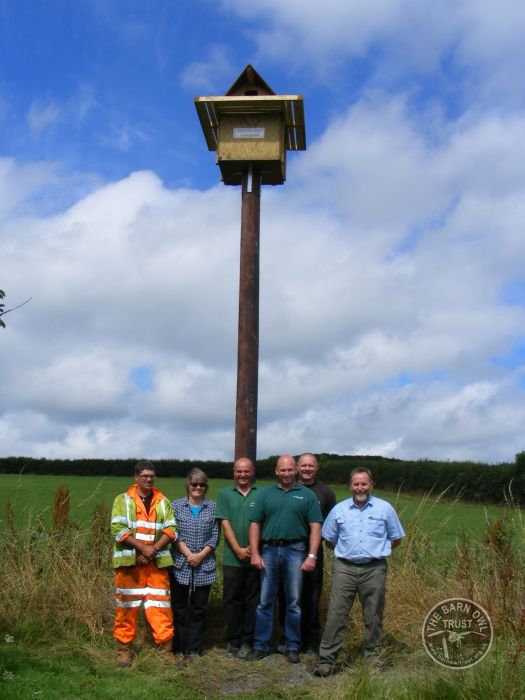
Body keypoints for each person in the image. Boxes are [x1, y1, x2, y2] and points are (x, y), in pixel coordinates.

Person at [314, 467, 405, 677]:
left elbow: (396, 538)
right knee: (336, 614)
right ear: (350, 485)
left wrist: (377, 552)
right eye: (356, 484)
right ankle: (327, 661)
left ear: (371, 484)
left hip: (374, 568)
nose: (360, 488)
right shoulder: (339, 510)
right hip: (344, 568)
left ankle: (372, 660)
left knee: (373, 615)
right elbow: (329, 539)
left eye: (364, 483)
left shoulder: (385, 509)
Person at [247, 455, 323, 664]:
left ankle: (292, 645)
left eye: (290, 470)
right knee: (265, 601)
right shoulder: (265, 494)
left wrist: (312, 555)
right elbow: (255, 523)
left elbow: (316, 526)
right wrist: (255, 552)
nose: (287, 474)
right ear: (276, 471)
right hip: (269, 550)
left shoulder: (306, 495)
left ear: (295, 471)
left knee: (294, 602)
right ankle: (260, 645)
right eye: (283, 470)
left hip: (296, 550)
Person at [111, 460, 177, 668]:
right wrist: (143, 549)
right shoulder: (123, 500)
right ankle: (124, 651)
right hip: (130, 566)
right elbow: (118, 530)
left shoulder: (163, 501)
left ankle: (166, 651)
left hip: (155, 564)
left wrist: (151, 551)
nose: (148, 479)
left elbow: (171, 529)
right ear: (136, 477)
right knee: (126, 608)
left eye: (151, 476)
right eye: (144, 476)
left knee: (160, 608)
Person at [170, 468, 220, 657]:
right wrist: (189, 554)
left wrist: (200, 555)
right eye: (194, 484)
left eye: (202, 484)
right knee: (180, 610)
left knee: (199, 610)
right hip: (180, 565)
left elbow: (215, 536)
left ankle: (194, 648)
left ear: (206, 487)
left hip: (204, 566)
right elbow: (174, 534)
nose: (198, 487)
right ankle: (179, 648)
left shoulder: (213, 508)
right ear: (188, 486)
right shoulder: (176, 506)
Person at [216, 457, 261, 659]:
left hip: (255, 558)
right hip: (232, 559)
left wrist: (254, 550)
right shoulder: (225, 494)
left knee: (252, 601)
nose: (242, 475)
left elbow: (263, 522)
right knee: (232, 601)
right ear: (233, 472)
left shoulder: (263, 494)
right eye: (238, 471)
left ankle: (247, 641)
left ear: (253, 472)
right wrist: (237, 549)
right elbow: (225, 524)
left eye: (246, 471)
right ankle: (233, 641)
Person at [296, 453, 336, 655]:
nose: (307, 469)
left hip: (314, 551)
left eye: (310, 466)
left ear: (317, 468)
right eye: (303, 466)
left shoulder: (326, 493)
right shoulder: (288, 489)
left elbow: (330, 525)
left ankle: (311, 641)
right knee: (290, 596)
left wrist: (315, 551)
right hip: (288, 550)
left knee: (312, 596)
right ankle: (292, 639)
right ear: (297, 467)